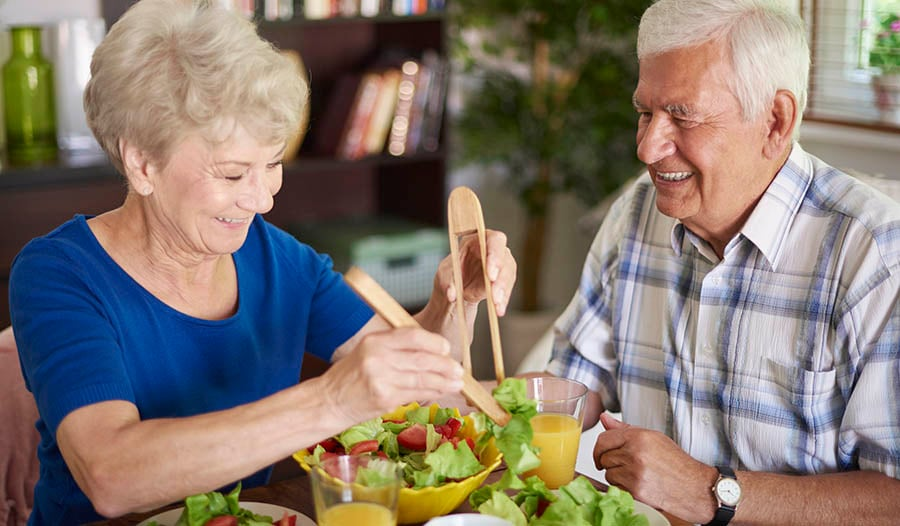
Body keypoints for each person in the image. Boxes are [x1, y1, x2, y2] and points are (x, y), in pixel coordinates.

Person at [7, 1, 516, 524]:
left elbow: (424, 392)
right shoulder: (60, 274)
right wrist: (333, 401)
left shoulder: (277, 258)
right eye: (232, 174)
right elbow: (112, 477)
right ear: (142, 164)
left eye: (272, 163)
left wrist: (454, 302)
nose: (263, 198)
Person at [544, 0, 900, 525]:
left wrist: (708, 491)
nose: (647, 148)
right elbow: (573, 386)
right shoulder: (636, 213)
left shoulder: (875, 255)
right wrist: (447, 366)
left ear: (776, 121)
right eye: (645, 113)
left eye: (682, 116)